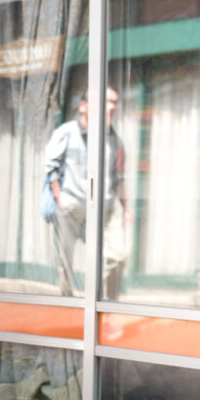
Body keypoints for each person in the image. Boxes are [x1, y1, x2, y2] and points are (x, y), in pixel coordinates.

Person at [43, 88, 129, 299]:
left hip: (105, 207)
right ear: (83, 106)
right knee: (65, 258)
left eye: (114, 102)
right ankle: (66, 301)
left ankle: (107, 305)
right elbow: (51, 166)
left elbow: (118, 178)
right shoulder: (66, 132)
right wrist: (59, 197)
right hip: (72, 204)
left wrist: (126, 209)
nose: (111, 106)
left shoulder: (114, 139)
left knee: (117, 255)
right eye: (106, 101)